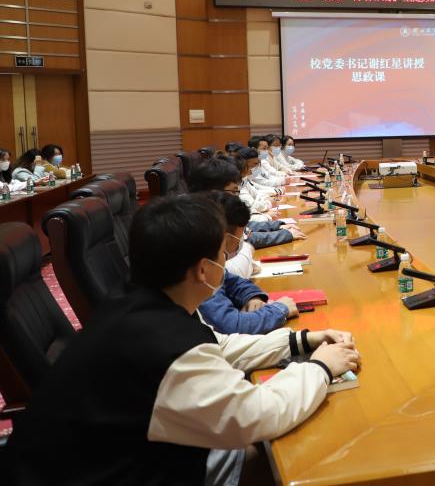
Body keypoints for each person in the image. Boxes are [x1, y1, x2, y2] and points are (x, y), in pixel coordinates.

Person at [10, 193, 361, 485]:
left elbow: (218, 346)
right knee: (305, 456)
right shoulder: (163, 343)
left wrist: (301, 340)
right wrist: (320, 367)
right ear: (204, 270)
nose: (227, 260)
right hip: (115, 472)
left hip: (109, 456)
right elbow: (256, 416)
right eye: (224, 254)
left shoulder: (137, 300)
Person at [197, 191, 299, 334]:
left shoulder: (207, 257)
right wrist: (280, 309)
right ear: (224, 238)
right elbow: (231, 326)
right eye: (240, 237)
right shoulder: (197, 268)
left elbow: (231, 281)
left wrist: (252, 297)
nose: (243, 241)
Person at [189, 157, 305, 252]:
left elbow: (244, 229)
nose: (237, 196)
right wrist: (284, 235)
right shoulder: (200, 221)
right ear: (214, 192)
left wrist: (275, 226)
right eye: (234, 191)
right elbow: (243, 240)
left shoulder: (210, 208)